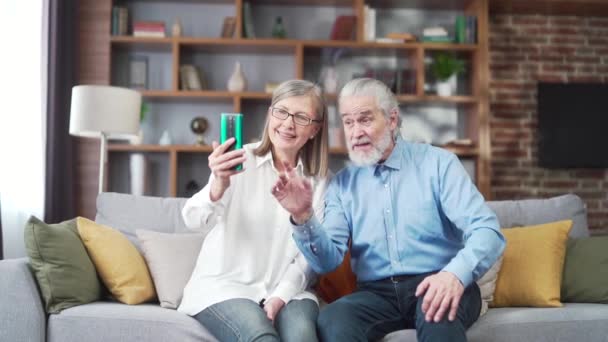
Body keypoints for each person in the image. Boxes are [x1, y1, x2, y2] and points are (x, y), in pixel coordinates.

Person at [271, 78, 506, 342]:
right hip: (376, 294)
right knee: (333, 320)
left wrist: (454, 275)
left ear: (392, 120)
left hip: (438, 280)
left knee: (437, 314)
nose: (355, 131)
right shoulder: (342, 185)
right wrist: (304, 218)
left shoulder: (439, 164)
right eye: (348, 122)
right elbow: (328, 260)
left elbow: (487, 231)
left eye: (365, 119)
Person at [178, 79, 329, 342]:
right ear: (270, 114)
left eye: (302, 117)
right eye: (281, 112)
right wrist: (218, 184)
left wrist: (280, 297)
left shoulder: (322, 181)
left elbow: (311, 257)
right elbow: (193, 221)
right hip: (225, 287)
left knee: (302, 337)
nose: (288, 123)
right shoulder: (238, 161)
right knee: (262, 338)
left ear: (315, 129)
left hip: (291, 290)